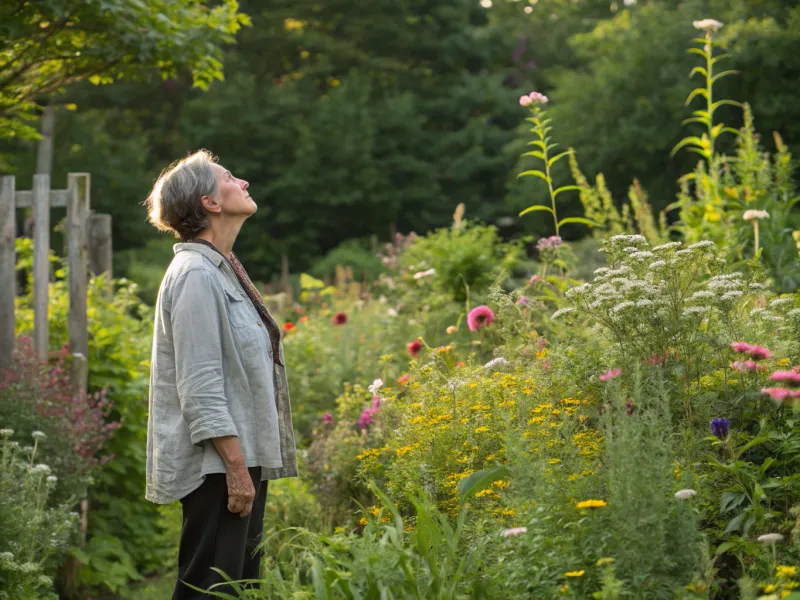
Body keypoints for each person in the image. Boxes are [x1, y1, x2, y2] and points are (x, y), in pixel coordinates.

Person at [143, 150, 297, 599]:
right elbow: (200, 384)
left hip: (235, 458)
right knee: (211, 590)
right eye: (230, 178)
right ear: (209, 202)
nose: (244, 182)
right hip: (218, 466)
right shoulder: (195, 275)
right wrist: (235, 469)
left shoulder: (222, 269)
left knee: (236, 588)